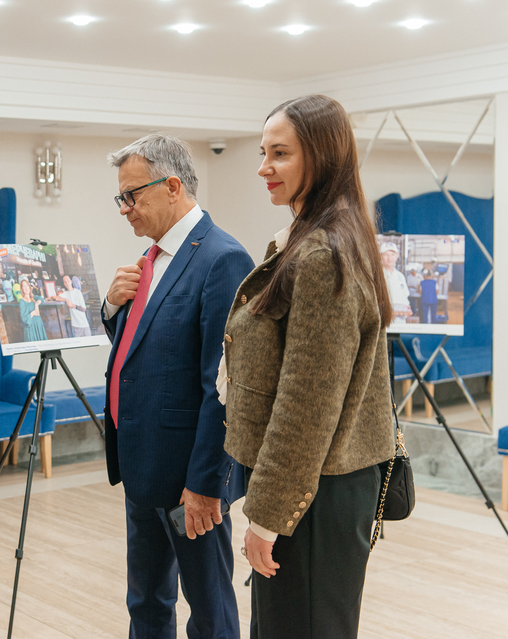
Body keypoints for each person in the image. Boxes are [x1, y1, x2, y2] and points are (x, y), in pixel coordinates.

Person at [221, 95, 395, 639]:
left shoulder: (324, 253)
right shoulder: (321, 238)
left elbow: (307, 403)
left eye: (279, 154)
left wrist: (268, 516)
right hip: (315, 484)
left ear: (320, 158)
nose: (262, 167)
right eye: (262, 152)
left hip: (314, 491)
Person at [103, 133, 254, 639]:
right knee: (146, 602)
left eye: (132, 195)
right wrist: (112, 310)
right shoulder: (150, 259)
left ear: (172, 186)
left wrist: (207, 485)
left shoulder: (222, 258)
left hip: (191, 478)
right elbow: (142, 352)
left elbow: (225, 386)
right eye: (120, 197)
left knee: (209, 610)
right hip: (142, 465)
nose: (124, 208)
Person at [381, 242, 412, 322]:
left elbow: (405, 297)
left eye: (392, 254)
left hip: (400, 320)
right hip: (385, 321)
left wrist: (407, 307)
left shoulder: (400, 276)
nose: (389, 258)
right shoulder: (378, 276)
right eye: (386, 255)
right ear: (380, 256)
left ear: (397, 256)